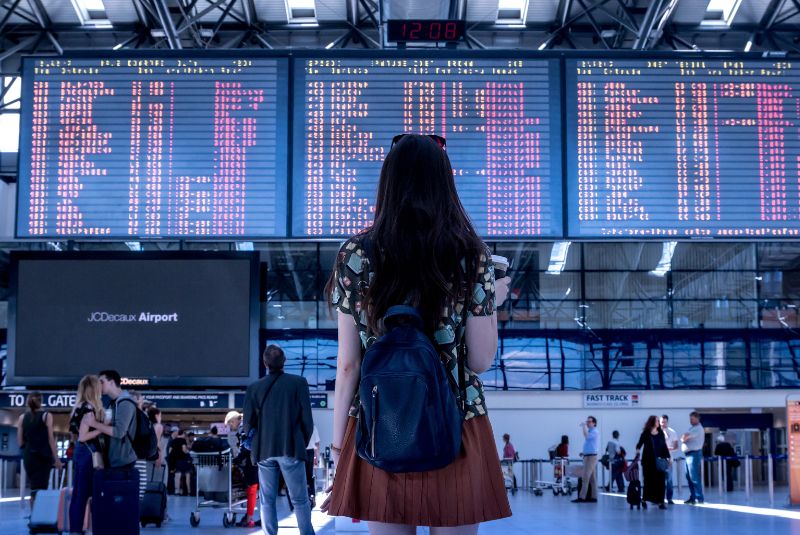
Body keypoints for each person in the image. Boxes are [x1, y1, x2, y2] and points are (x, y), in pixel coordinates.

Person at [321, 134, 513, 534]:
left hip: (379, 422)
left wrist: (339, 446)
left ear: (388, 182)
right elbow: (480, 361)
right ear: (445, 183)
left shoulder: (357, 254)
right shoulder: (471, 254)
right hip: (458, 422)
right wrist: (490, 299)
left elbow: (348, 364)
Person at [243, 344, 315, 535]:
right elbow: (307, 420)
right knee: (300, 499)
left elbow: (247, 425)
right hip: (291, 447)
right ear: (285, 361)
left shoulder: (254, 388)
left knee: (267, 500)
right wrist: (301, 441)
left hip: (264, 451)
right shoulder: (298, 383)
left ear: (264, 363)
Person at [68, 375, 105, 535]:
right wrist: (103, 428)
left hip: (80, 452)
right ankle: (81, 530)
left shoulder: (77, 408)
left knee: (78, 494)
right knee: (89, 495)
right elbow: (84, 436)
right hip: (89, 454)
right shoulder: (89, 409)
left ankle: (75, 529)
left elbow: (76, 436)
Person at [16, 391, 62, 512]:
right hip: (43, 456)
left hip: (28, 456)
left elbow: (20, 442)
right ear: (41, 401)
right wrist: (57, 460)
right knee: (41, 487)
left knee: (34, 488)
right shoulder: (47, 415)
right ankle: (38, 517)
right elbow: (50, 439)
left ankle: (34, 516)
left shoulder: (22, 417)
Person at [84, 370, 137, 470]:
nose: (99, 385)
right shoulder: (113, 403)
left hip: (122, 462)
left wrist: (94, 424)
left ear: (112, 382)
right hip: (114, 460)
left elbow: (119, 432)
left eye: (102, 382)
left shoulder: (125, 403)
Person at [635, 415, 670, 510]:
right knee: (648, 481)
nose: (658, 423)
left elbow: (664, 446)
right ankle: (644, 500)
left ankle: (660, 502)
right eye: (657, 421)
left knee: (661, 481)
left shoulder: (660, 433)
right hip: (648, 461)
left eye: (659, 421)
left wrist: (668, 457)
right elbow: (639, 444)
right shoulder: (646, 433)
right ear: (652, 422)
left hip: (659, 460)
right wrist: (637, 452)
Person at [573, 416, 599, 503]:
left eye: (589, 421)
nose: (587, 423)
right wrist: (583, 452)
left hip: (591, 457)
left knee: (585, 477)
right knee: (592, 479)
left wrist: (583, 426)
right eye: (587, 421)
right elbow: (590, 445)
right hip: (588, 456)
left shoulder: (594, 431)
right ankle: (594, 497)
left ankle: (582, 497)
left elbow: (586, 437)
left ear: (594, 423)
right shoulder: (591, 431)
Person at [681, 411, 705, 504]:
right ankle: (693, 497)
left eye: (692, 419)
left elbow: (684, 438)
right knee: (689, 477)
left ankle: (699, 498)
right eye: (690, 419)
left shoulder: (697, 429)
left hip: (693, 455)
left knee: (694, 477)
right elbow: (684, 437)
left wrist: (684, 438)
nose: (690, 420)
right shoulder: (692, 428)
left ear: (697, 418)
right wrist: (684, 437)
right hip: (688, 455)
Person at [660, 414, 680, 505]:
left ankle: (669, 498)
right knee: (658, 480)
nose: (663, 424)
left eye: (664, 422)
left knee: (669, 480)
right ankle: (658, 498)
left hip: (669, 460)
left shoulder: (672, 432)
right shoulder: (655, 432)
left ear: (667, 422)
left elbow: (676, 446)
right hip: (658, 460)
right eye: (661, 422)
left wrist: (667, 449)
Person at [167, 429, 192, 496]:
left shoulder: (173, 440)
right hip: (183, 460)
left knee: (177, 475)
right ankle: (189, 491)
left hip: (176, 460)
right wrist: (188, 452)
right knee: (187, 475)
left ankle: (177, 491)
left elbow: (169, 451)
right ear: (183, 434)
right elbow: (184, 449)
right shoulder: (183, 440)